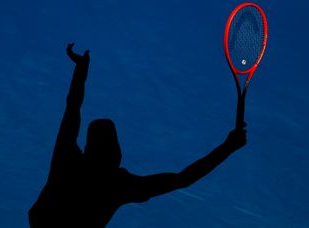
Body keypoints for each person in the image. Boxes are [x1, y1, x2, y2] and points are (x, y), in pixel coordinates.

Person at [28, 43, 247, 228]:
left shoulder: (67, 157)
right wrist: (228, 147)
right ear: (116, 154)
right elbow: (184, 179)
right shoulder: (119, 185)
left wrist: (81, 71)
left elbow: (72, 107)